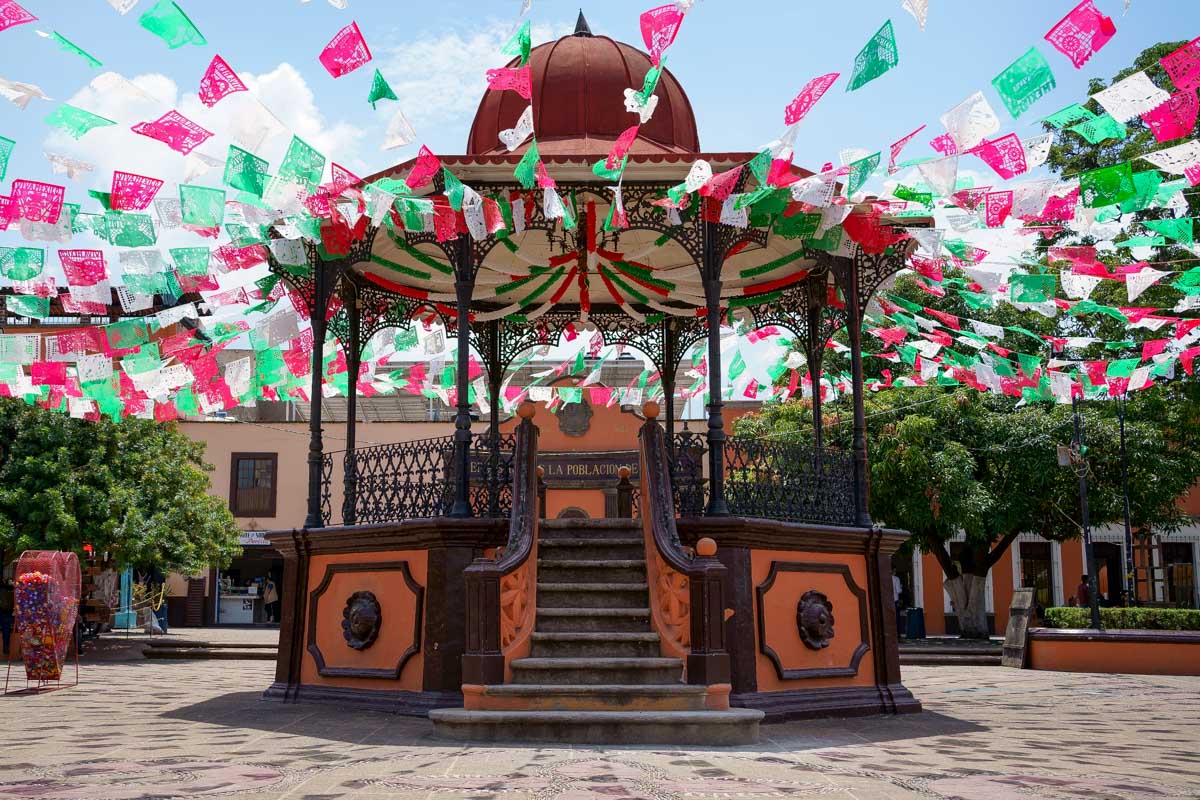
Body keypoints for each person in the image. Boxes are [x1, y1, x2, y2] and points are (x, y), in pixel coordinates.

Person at [0, 577, 14, 656]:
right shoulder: (12, 590)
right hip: (8, 613)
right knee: (6, 631)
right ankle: (6, 649)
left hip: (3, 613)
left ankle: (6, 648)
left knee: (6, 630)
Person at [892, 570, 904, 636]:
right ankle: (897, 633)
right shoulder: (896, 579)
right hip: (895, 600)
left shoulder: (884, 578)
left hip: (887, 601)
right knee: (896, 617)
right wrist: (901, 587)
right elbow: (898, 590)